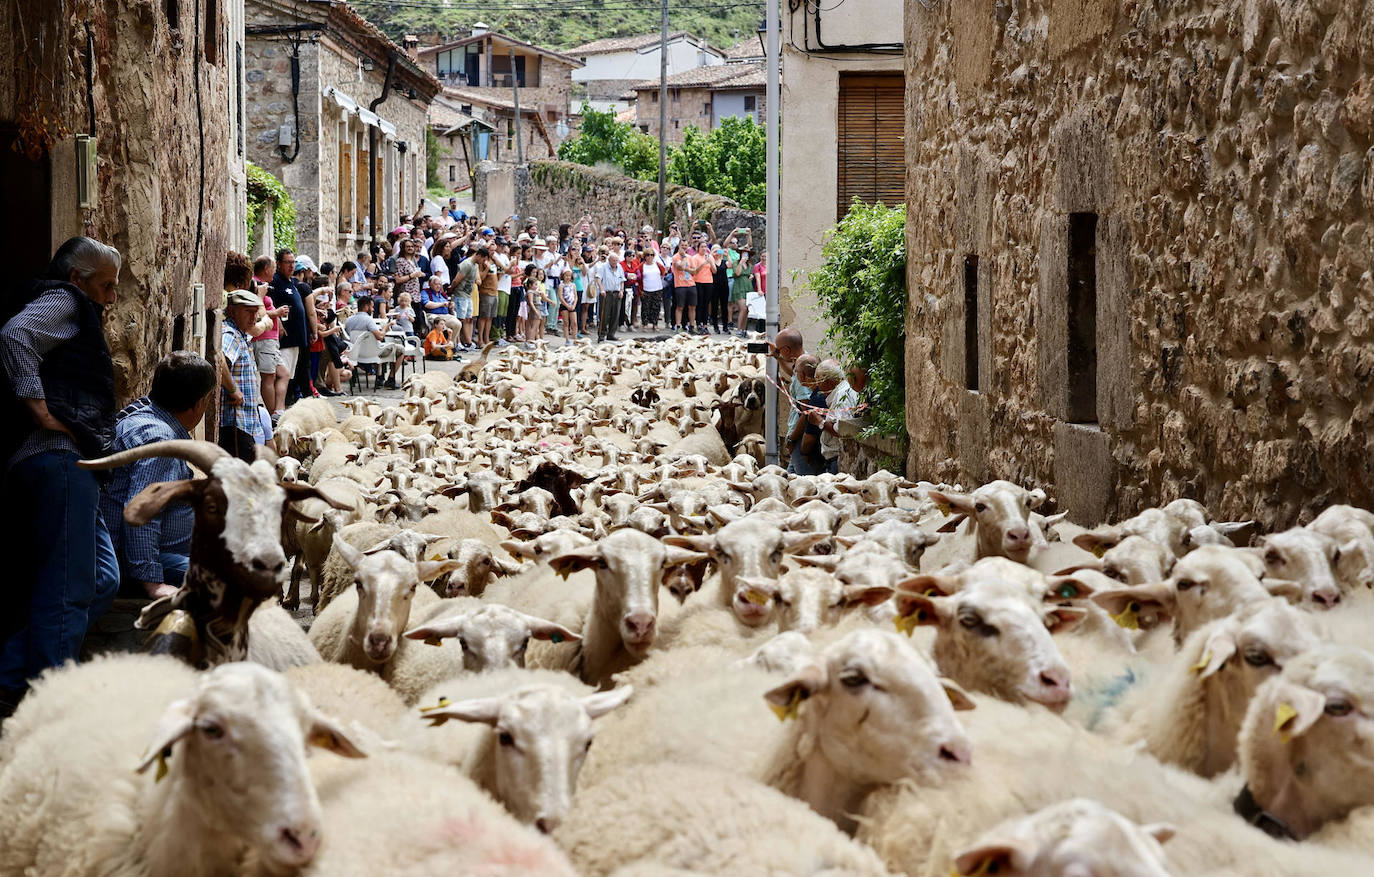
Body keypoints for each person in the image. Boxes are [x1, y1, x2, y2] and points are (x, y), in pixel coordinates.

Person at [0, 236, 123, 713]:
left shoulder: (72, 303)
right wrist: (40, 408)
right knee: (69, 588)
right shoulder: (63, 299)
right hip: (58, 458)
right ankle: (50, 702)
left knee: (102, 580)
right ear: (78, 279)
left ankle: (11, 672)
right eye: (106, 287)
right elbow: (15, 335)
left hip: (71, 465)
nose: (111, 299)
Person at [100, 351, 216, 602]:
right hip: (140, 560)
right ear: (199, 404)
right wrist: (153, 583)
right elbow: (142, 513)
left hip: (161, 551)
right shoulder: (161, 441)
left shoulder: (144, 414)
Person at [219, 288, 268, 461]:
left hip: (244, 423)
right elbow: (220, 360)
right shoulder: (231, 335)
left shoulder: (240, 335)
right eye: (249, 312)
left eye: (256, 312)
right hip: (235, 423)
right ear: (232, 311)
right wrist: (232, 390)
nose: (254, 317)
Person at [269, 248, 310, 403]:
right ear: (279, 264)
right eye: (288, 262)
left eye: (293, 262)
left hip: (297, 338)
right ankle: (279, 406)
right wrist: (277, 320)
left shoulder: (291, 282)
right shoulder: (275, 282)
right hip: (286, 338)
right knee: (283, 375)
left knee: (291, 376)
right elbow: (269, 304)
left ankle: (287, 402)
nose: (291, 266)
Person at [811, 360, 857, 475]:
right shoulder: (841, 392)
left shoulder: (842, 395)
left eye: (818, 380)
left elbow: (843, 430)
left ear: (828, 381)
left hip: (837, 458)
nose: (817, 385)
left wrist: (820, 422)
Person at [344, 296, 401, 389]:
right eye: (372, 306)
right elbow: (380, 336)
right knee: (400, 349)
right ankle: (390, 379)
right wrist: (387, 327)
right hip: (371, 353)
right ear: (366, 307)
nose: (373, 309)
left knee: (376, 346)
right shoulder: (368, 320)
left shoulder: (349, 320)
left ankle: (379, 377)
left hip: (355, 353)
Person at [595, 250, 627, 343]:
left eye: (616, 260)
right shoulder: (603, 267)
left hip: (616, 292)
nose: (615, 262)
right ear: (609, 260)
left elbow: (622, 280)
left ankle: (611, 334)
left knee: (615, 314)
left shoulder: (619, 267)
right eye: (613, 260)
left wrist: (621, 290)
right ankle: (601, 334)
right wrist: (601, 289)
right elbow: (598, 279)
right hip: (607, 292)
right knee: (604, 314)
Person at [558, 268, 579, 346]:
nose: (568, 277)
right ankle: (567, 339)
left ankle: (575, 339)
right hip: (565, 305)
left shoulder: (573, 285)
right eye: (566, 276)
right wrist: (566, 305)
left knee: (574, 322)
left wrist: (573, 305)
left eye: (569, 276)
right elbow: (560, 296)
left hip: (572, 304)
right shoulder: (561, 285)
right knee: (566, 322)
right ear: (563, 276)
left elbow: (576, 296)